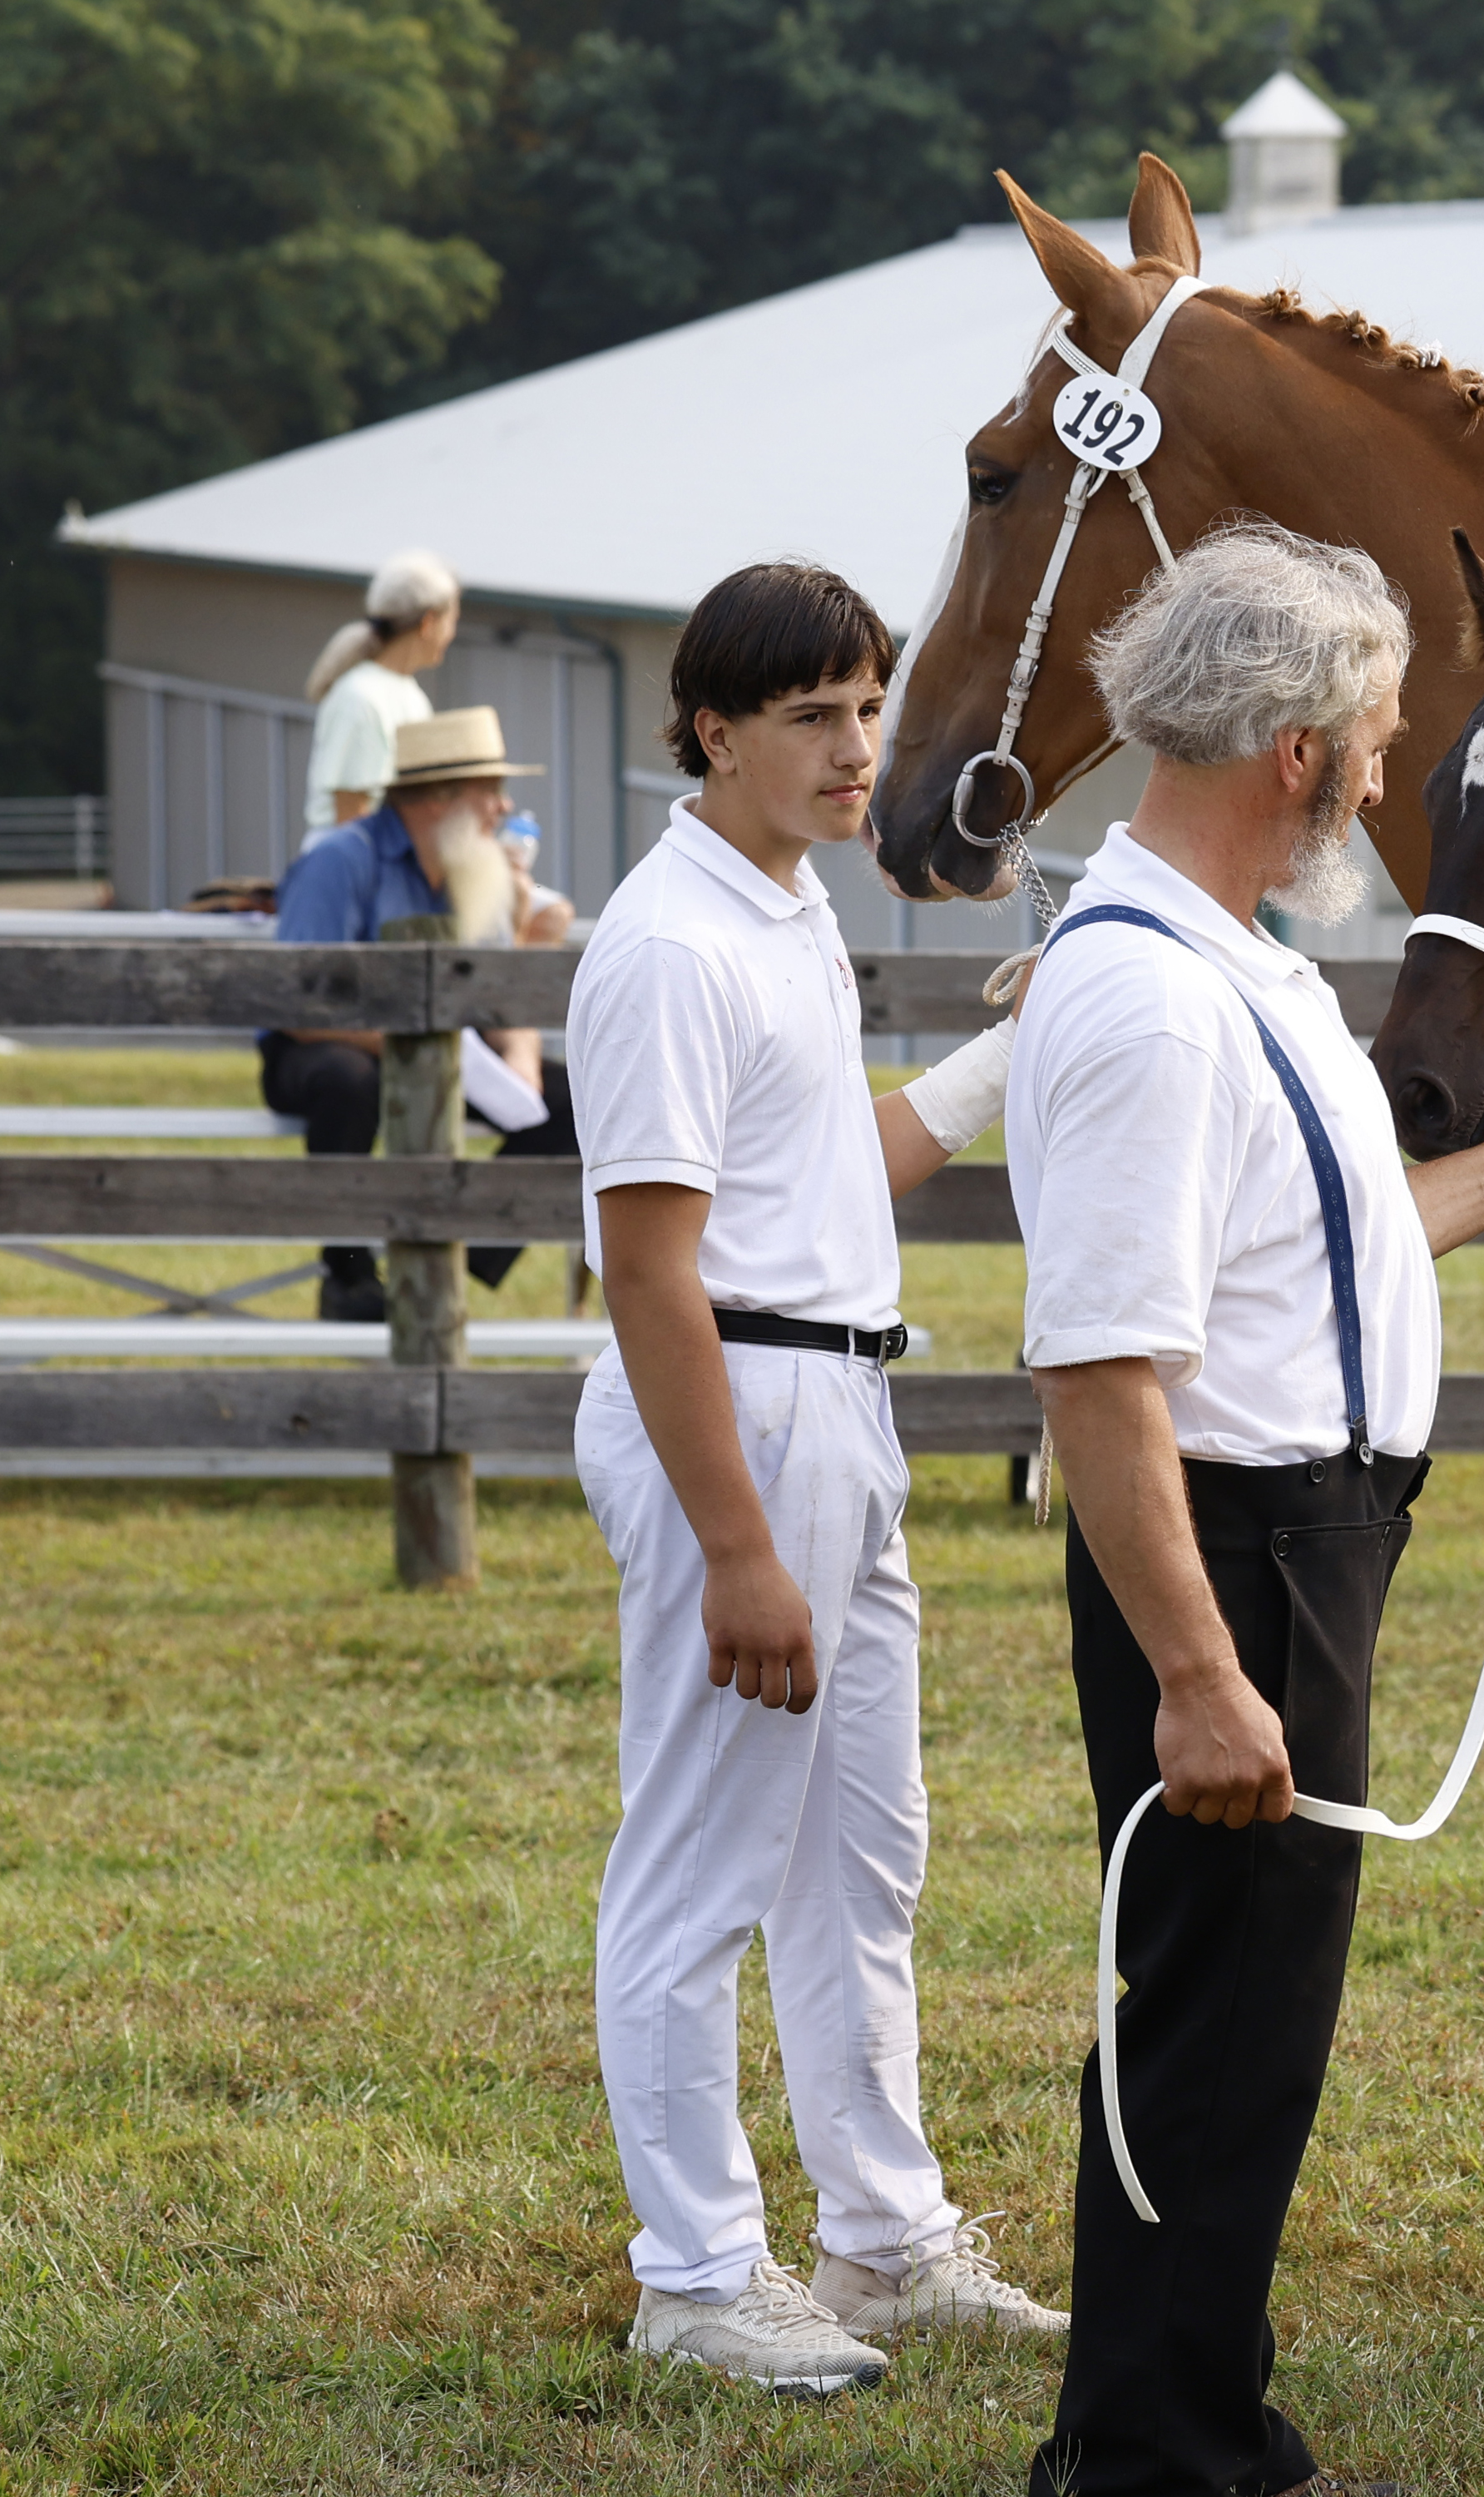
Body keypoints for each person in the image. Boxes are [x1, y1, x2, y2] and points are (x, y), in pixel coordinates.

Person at [1010, 522, 1484, 2497]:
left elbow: (1312, 1255)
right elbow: (1101, 1371)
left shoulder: (1232, 963)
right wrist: (1196, 1666)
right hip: (1235, 1554)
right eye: (1367, 735)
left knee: (1237, 2011)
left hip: (1297, 1533)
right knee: (1215, 2022)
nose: (1384, 770)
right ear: (1289, 749)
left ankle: (1179, 2424)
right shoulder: (1157, 1009)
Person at [569, 561, 1066, 2398]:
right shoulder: (671, 940)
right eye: (815, 717)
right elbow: (652, 1264)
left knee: (866, 1849)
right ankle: (697, 2271)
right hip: (744, 1411)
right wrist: (735, 1543)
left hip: (835, 1392)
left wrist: (1017, 1044)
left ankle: (880, 2237)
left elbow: (822, 1165)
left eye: (869, 707)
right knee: (699, 1856)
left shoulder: (778, 911)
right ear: (712, 726)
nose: (861, 749)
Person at [261, 707, 581, 1320]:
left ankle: (443, 1270)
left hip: (442, 1050)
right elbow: (297, 1002)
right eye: (490, 790)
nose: (503, 808)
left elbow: (496, 989)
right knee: (348, 1082)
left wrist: (519, 1059)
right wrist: (410, 1040)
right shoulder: (339, 860)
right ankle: (348, 1274)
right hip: (324, 1047)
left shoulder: (474, 866)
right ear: (440, 797)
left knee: (577, 1101)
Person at [302, 551, 462, 846]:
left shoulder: (410, 695)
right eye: (452, 621)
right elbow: (351, 816)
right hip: (347, 871)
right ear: (428, 623)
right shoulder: (359, 698)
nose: (452, 634)